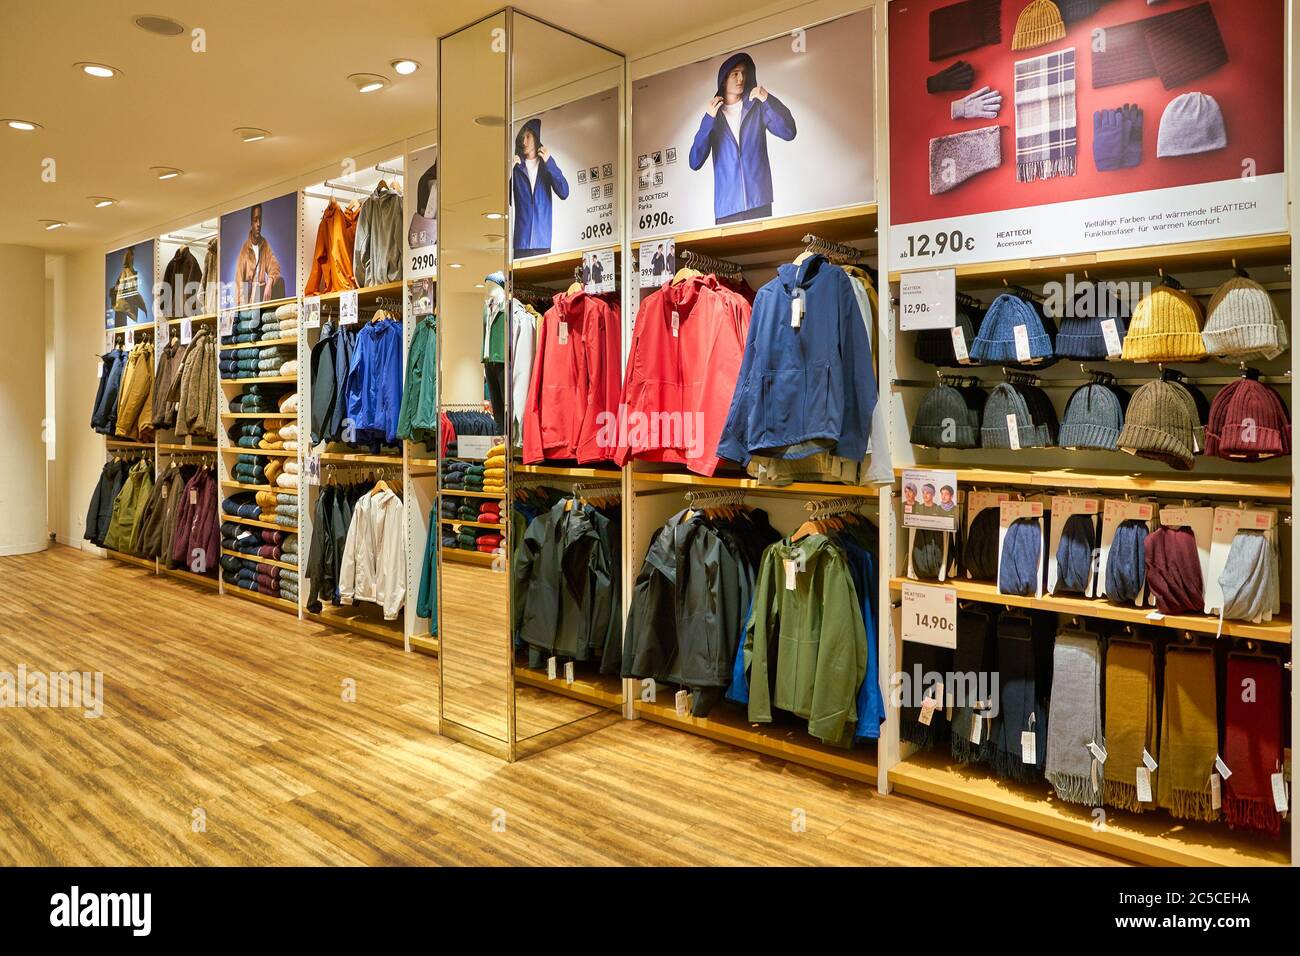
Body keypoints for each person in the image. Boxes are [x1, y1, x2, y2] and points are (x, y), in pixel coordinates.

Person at [689, 51, 796, 225]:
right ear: (724, 79)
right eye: (735, 74)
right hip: (727, 207)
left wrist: (768, 99)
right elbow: (694, 161)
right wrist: (708, 120)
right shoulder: (713, 117)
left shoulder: (758, 107)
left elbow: (788, 131)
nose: (741, 78)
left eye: (744, 73)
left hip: (759, 201)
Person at [511, 118, 569, 258]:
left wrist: (550, 163)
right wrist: (509, 171)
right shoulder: (517, 167)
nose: (524, 141)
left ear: (536, 137)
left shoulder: (546, 164)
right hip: (521, 242)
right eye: (522, 137)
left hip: (542, 240)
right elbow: (506, 202)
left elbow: (564, 192)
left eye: (528, 136)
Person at [233, 203, 283, 305]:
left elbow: (274, 266)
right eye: (255, 220)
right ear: (251, 223)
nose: (258, 224)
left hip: (261, 298)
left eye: (260, 219)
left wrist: (269, 282)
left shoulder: (264, 244)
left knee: (280, 282)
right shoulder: (245, 250)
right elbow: (239, 284)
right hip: (249, 304)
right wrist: (239, 311)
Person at [108, 246, 148, 324]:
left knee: (121, 322)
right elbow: (131, 291)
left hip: (121, 306)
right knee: (121, 322)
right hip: (122, 306)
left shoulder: (126, 273)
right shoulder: (127, 272)